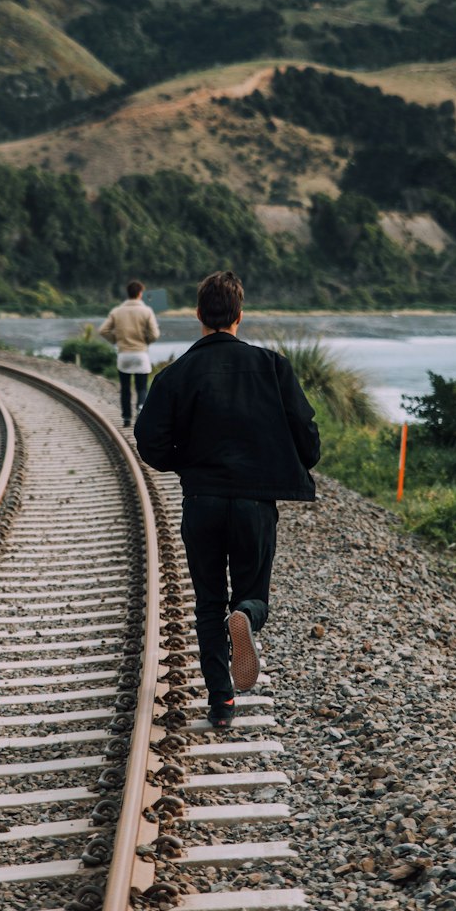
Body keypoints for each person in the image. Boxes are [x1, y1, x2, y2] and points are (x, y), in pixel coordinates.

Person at [135, 270, 319, 727]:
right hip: (256, 504)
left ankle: (222, 704)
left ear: (199, 315)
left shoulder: (174, 375)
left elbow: (150, 443)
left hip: (204, 501)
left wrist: (190, 464)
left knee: (207, 601)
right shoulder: (274, 367)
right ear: (240, 315)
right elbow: (309, 444)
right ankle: (248, 616)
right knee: (252, 593)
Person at [98, 280, 160, 428]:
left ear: (128, 294)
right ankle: (140, 410)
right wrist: (145, 341)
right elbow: (155, 334)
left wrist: (116, 340)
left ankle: (126, 418)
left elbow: (103, 330)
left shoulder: (117, 311)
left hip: (123, 355)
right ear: (140, 293)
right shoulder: (146, 311)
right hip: (140, 355)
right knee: (142, 388)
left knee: (125, 388)